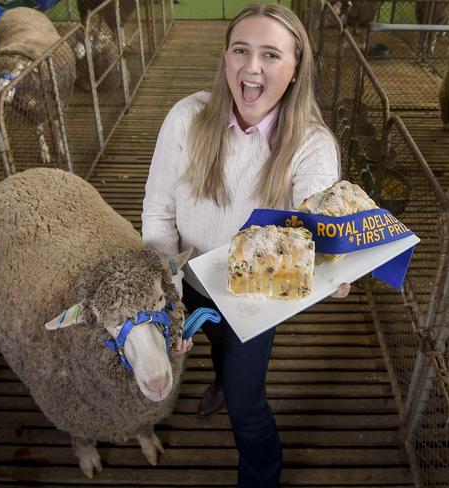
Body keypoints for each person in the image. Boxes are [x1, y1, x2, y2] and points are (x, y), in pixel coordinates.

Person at [142, 4, 350, 487]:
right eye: (241, 50)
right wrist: (167, 293)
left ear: (296, 70)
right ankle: (217, 377)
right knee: (210, 340)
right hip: (187, 275)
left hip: (254, 296)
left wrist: (333, 257)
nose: (251, 67)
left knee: (247, 406)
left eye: (271, 55)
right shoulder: (186, 118)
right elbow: (159, 214)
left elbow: (315, 216)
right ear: (225, 58)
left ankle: (261, 476)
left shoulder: (313, 146)